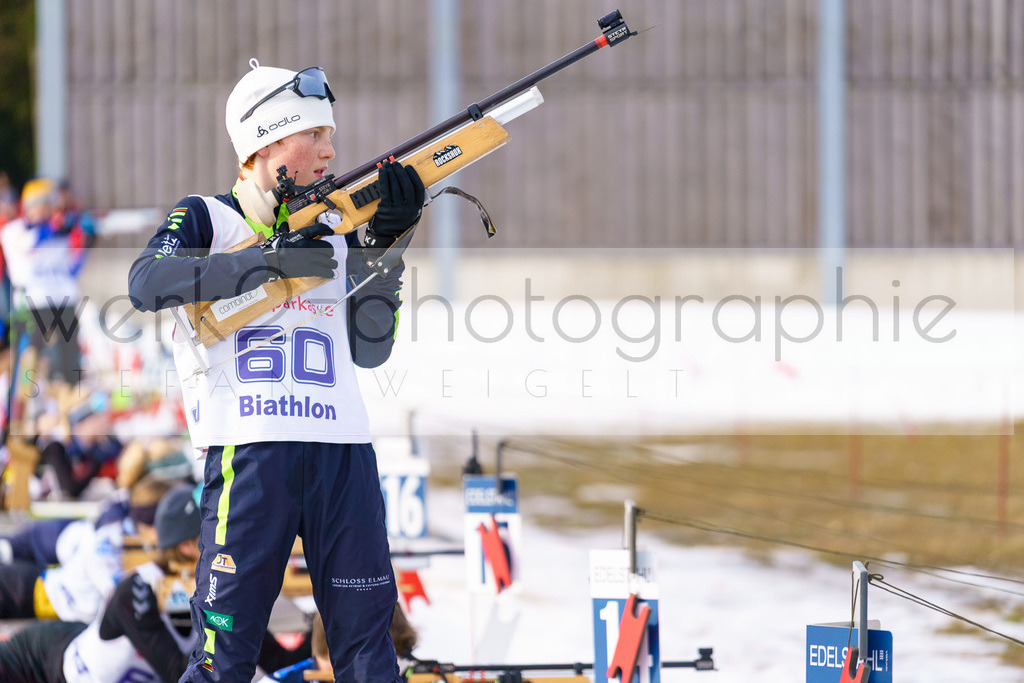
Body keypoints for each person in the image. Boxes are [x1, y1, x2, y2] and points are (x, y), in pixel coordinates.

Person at [128, 60, 424, 682]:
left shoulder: (339, 229)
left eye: (329, 134)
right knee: (223, 661)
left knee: (369, 655)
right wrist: (267, 263)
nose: (330, 150)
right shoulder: (208, 217)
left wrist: (386, 251)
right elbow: (146, 281)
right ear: (265, 142)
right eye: (313, 134)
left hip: (343, 452)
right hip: (251, 455)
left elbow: (370, 350)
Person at [1, 178, 90, 385]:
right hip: (31, 303)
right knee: (27, 361)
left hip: (63, 301)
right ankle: (19, 402)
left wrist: (82, 236)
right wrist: (54, 226)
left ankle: (70, 394)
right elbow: (28, 242)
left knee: (70, 361)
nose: (48, 210)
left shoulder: (61, 231)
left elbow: (73, 267)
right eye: (44, 205)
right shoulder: (14, 230)